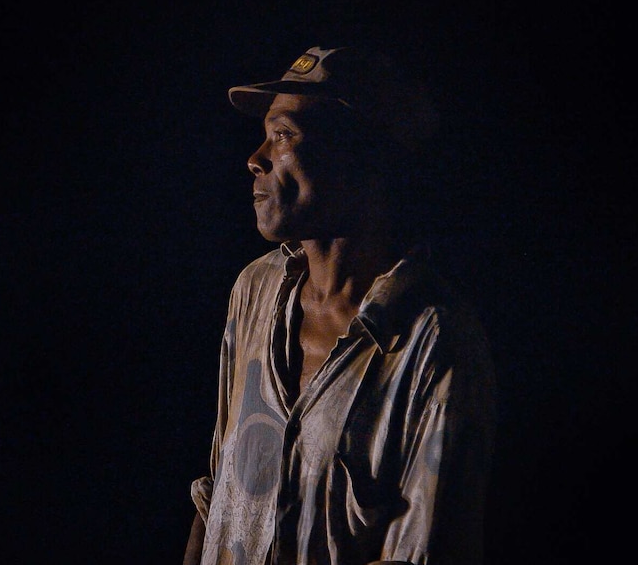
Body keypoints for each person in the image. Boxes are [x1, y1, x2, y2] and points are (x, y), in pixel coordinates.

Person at [182, 46, 497, 565]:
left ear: (362, 154)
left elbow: (425, 552)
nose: (255, 157)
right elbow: (217, 493)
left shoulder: (433, 343)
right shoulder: (255, 291)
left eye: (284, 135)